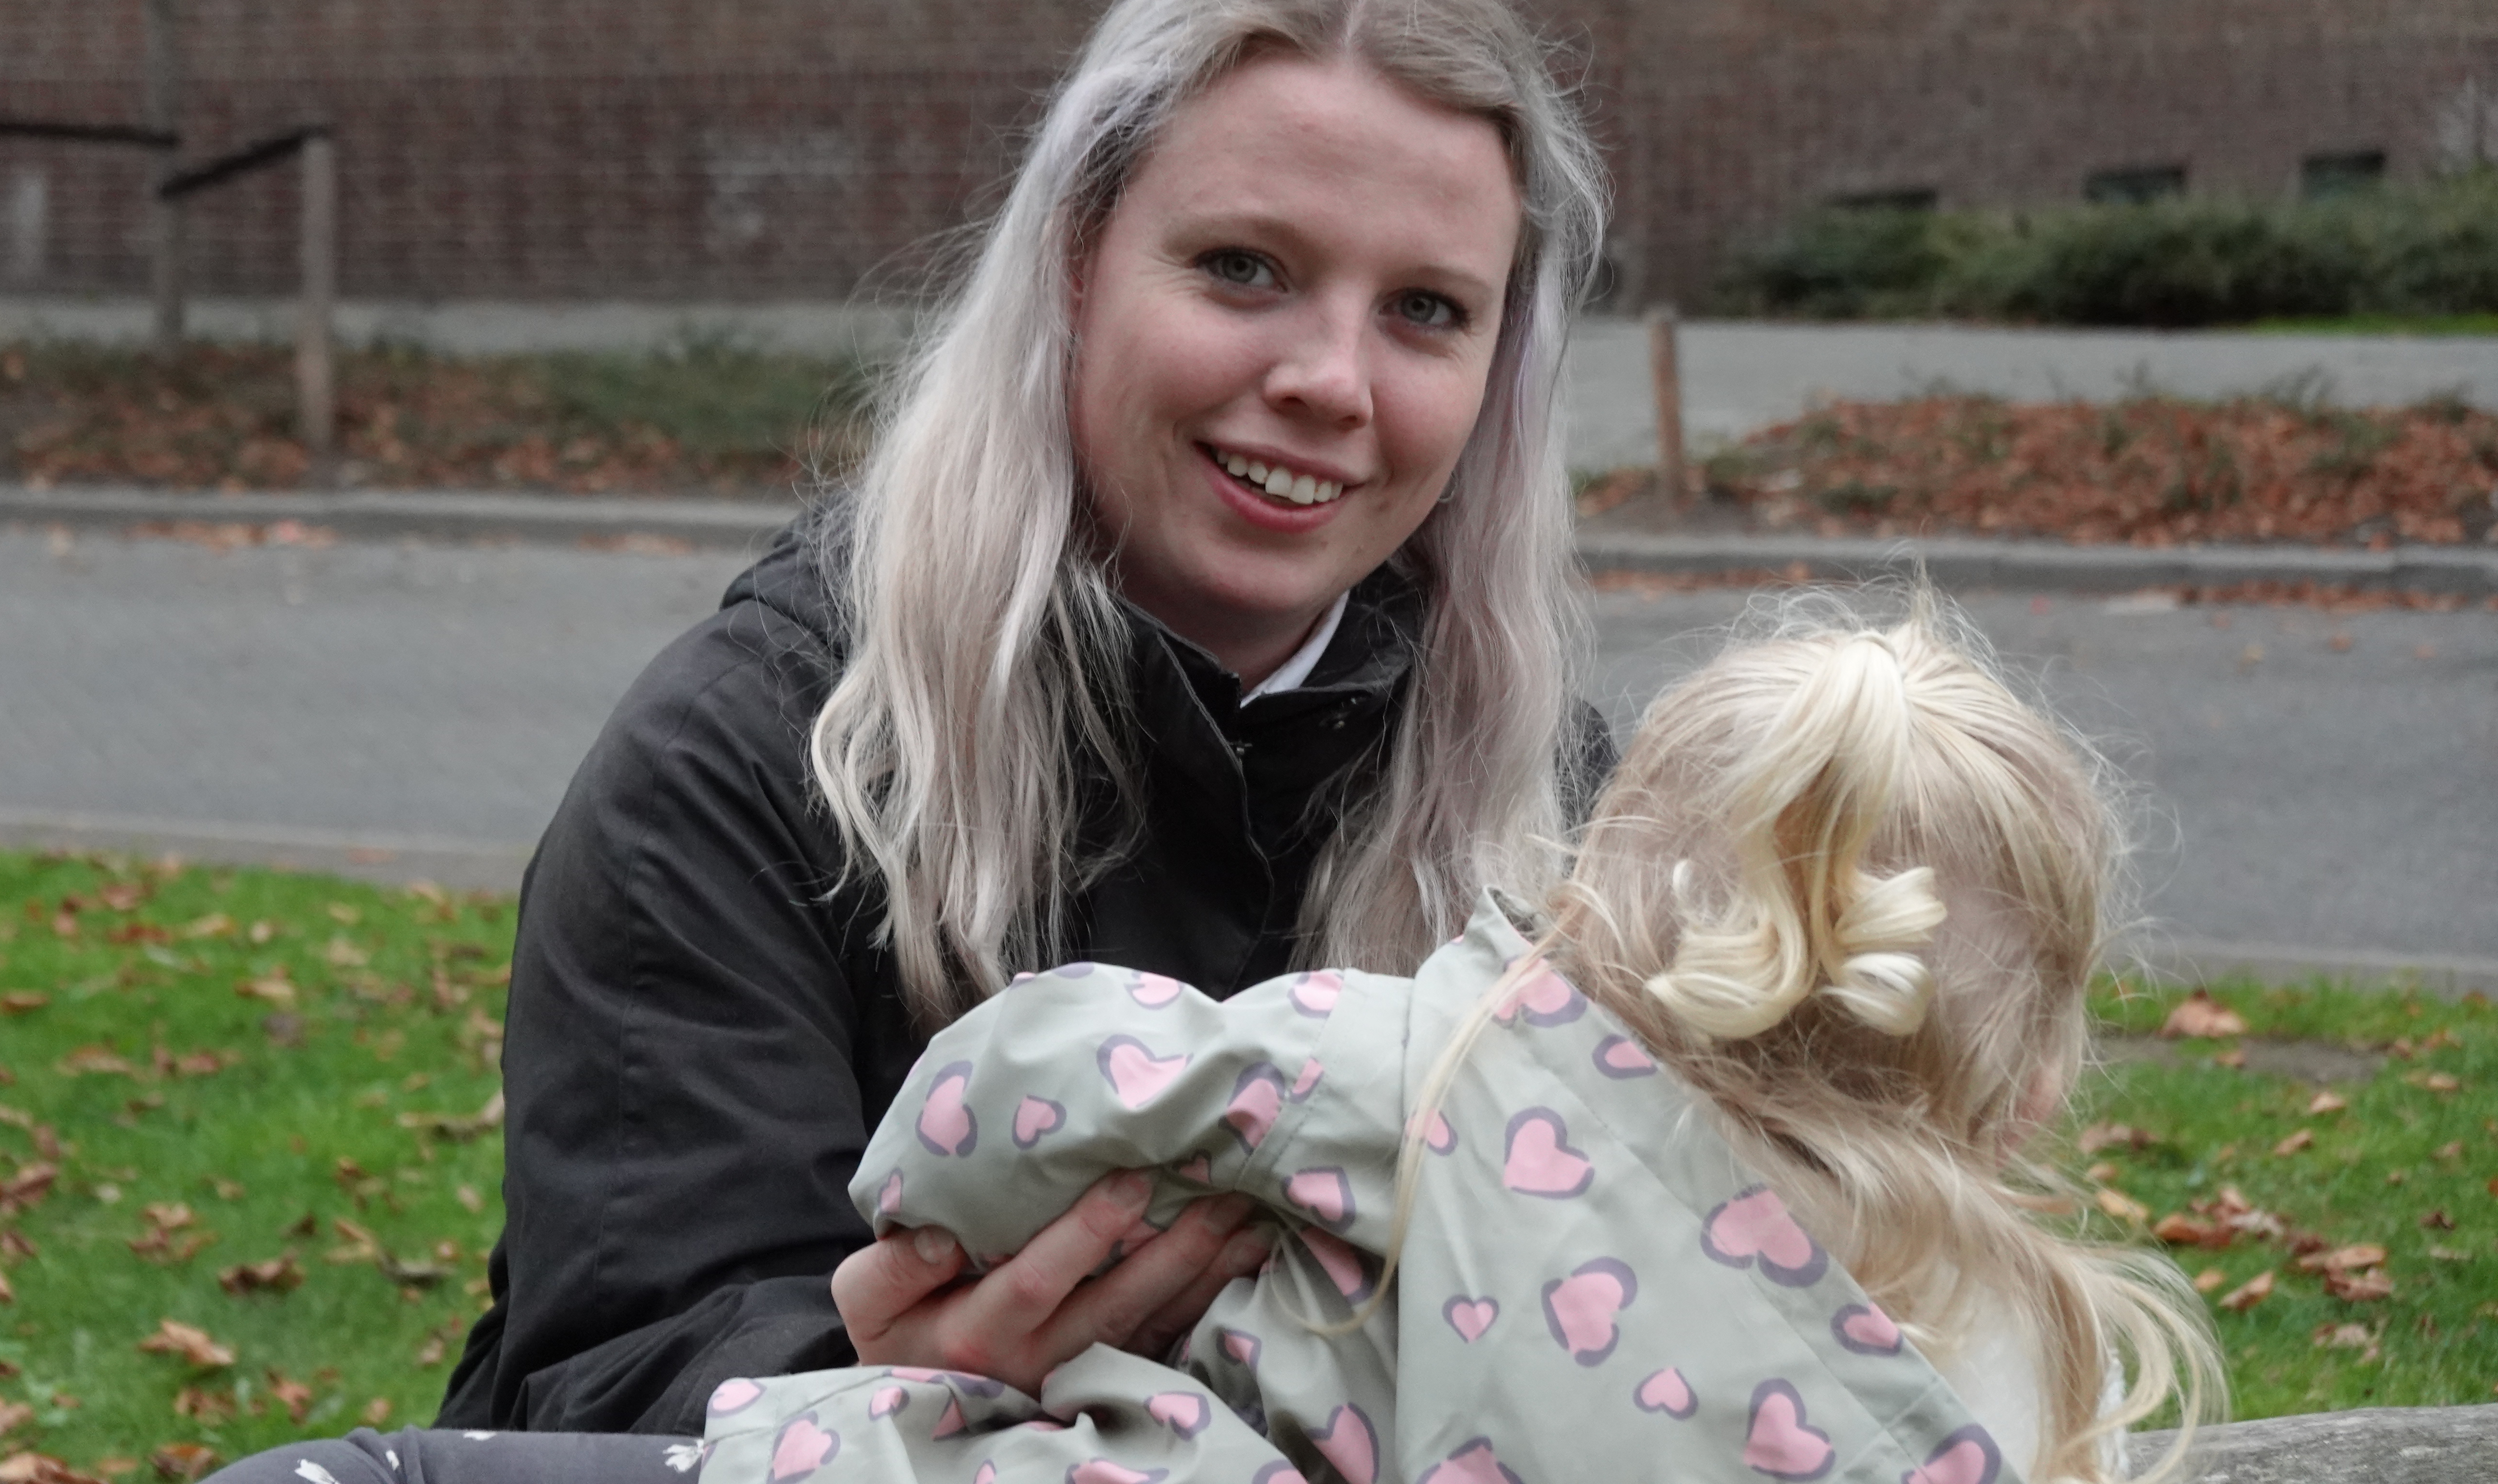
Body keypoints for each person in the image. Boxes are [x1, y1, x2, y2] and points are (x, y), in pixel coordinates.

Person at [218, 595, 2225, 1484]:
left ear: (1597, 898)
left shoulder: (1453, 1068)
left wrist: (942, 1184)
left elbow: (1044, 1077)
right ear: (2038, 1071)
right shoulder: (2027, 1351)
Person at [434, 0, 1617, 1439]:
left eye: (1427, 311)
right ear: (1075, 262)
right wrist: (852, 1397)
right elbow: (616, 1384)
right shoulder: (750, 763)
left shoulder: (1560, 814)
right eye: (1243, 269)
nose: (1330, 381)